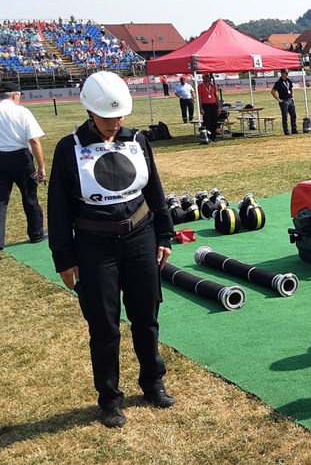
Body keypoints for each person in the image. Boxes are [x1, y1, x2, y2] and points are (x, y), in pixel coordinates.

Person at [47, 71, 176, 428]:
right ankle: (110, 398)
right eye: (107, 116)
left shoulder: (137, 140)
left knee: (146, 316)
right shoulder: (68, 147)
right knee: (104, 325)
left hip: (140, 237)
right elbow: (58, 207)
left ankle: (153, 382)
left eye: (119, 116)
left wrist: (165, 235)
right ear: (89, 110)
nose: (114, 123)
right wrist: (64, 258)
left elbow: (154, 190)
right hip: (94, 245)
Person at [0, 81, 47, 249]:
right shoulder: (22, 112)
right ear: (15, 95)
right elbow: (34, 140)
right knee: (29, 196)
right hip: (21, 158)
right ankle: (36, 233)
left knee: (1, 201)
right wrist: (41, 167)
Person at [272, 69, 299, 135]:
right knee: (285, 116)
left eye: (287, 73)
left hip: (290, 100)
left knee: (293, 115)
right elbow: (273, 91)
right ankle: (286, 131)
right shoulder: (278, 82)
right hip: (284, 101)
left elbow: (291, 88)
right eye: (286, 73)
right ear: (282, 74)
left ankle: (294, 129)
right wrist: (278, 99)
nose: (287, 74)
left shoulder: (288, 80)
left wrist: (292, 96)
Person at [197, 73, 219, 141]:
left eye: (208, 77)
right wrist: (201, 108)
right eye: (206, 77)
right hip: (205, 105)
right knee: (207, 122)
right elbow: (199, 98)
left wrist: (219, 107)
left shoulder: (213, 86)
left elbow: (216, 97)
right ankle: (208, 136)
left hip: (213, 105)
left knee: (214, 121)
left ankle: (213, 136)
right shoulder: (200, 87)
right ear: (203, 78)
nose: (208, 79)